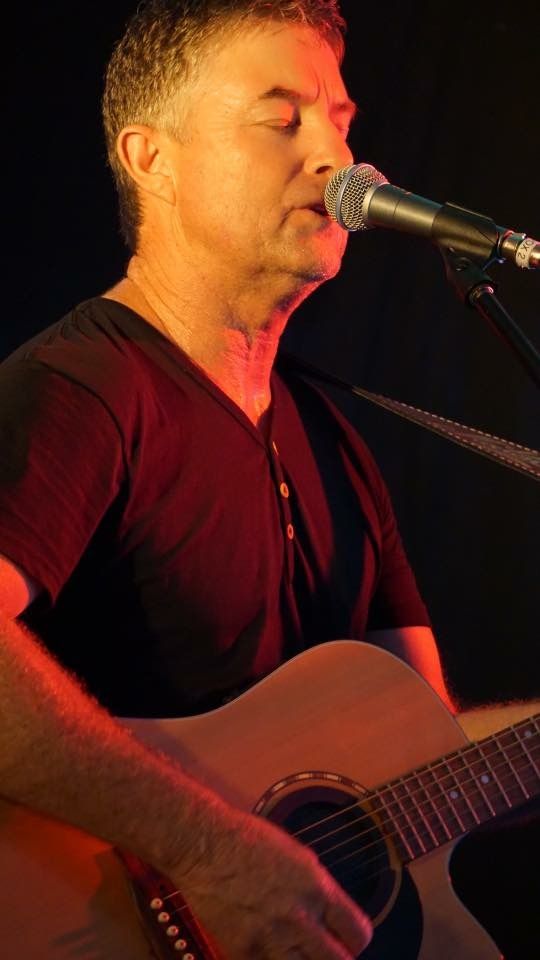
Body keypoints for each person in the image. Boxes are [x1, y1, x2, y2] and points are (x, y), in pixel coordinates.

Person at [0, 2, 536, 958]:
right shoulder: (80, 391)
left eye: (340, 120)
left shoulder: (335, 443)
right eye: (282, 118)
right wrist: (204, 848)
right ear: (151, 159)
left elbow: (434, 753)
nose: (338, 159)